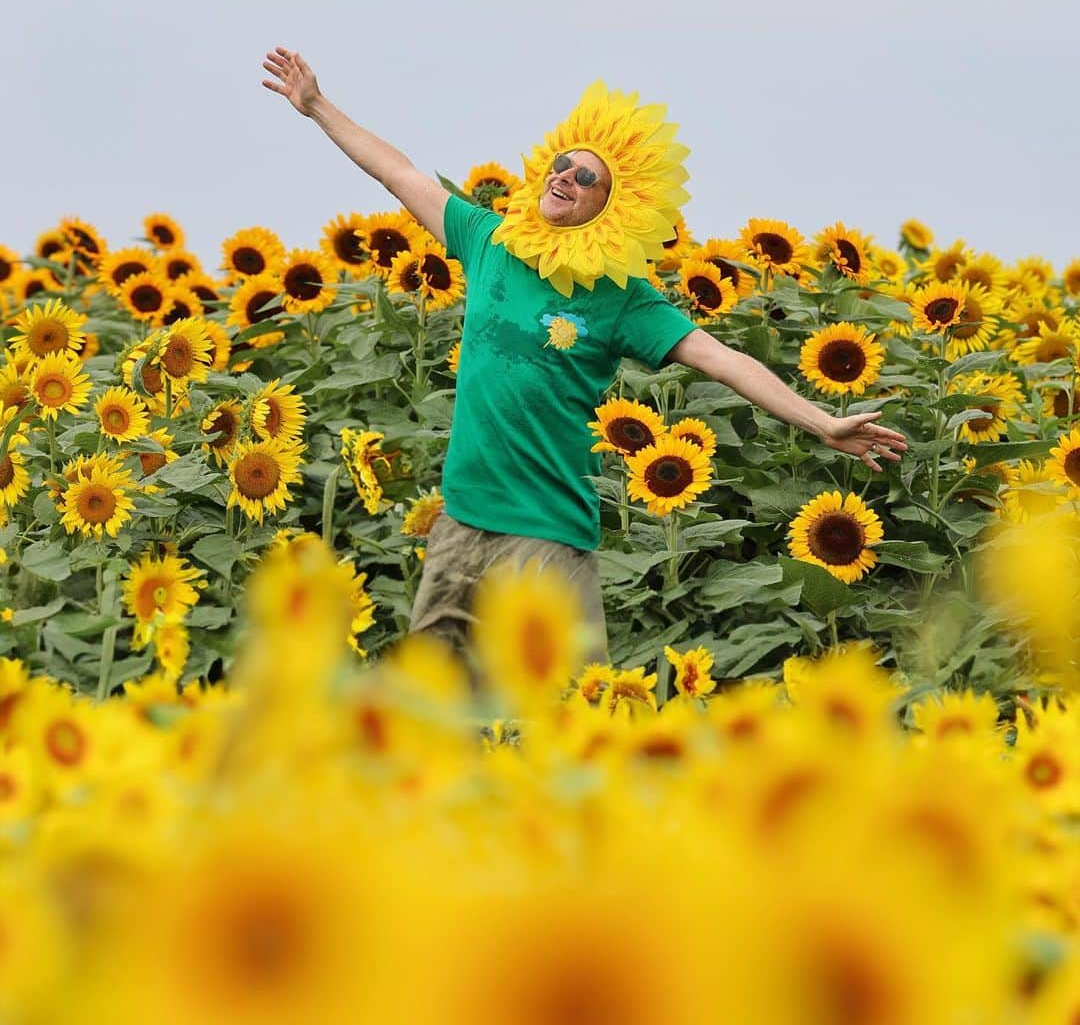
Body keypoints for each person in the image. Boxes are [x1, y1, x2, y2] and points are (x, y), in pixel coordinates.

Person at [262, 47, 907, 666]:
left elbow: (722, 360)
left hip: (547, 531)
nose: (565, 176)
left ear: (613, 204)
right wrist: (316, 104)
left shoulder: (621, 297)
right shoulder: (490, 240)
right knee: (437, 692)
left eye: (586, 175)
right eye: (562, 163)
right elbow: (397, 170)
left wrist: (822, 422)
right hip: (461, 519)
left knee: (573, 704)